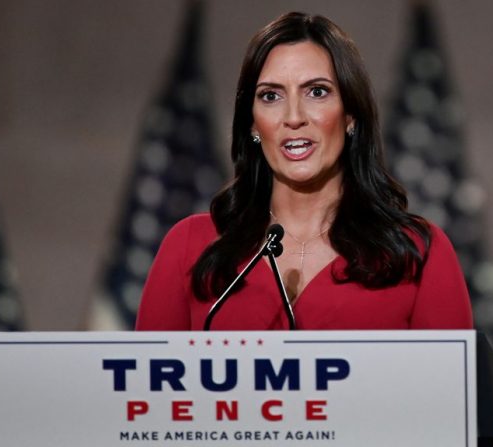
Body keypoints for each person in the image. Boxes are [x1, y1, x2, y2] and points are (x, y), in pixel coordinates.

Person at [135, 12, 473, 331]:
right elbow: (145, 385)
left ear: (350, 115)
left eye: (317, 92)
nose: (293, 117)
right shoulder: (192, 247)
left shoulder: (415, 252)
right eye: (270, 96)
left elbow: (454, 389)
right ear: (253, 123)